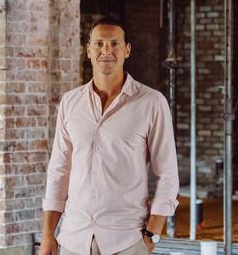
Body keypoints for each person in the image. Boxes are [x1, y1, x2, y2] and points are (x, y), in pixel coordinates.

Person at [40, 17, 179, 255]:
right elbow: (59, 171)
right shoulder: (70, 103)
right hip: (74, 238)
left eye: (114, 44)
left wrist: (151, 236)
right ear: (89, 50)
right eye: (99, 43)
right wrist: (47, 236)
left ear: (127, 50)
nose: (106, 50)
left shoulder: (151, 103)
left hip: (126, 240)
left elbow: (167, 174)